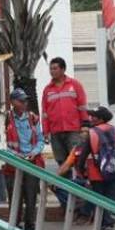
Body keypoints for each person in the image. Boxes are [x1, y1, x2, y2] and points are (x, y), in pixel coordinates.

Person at [57, 106, 115, 230]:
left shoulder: (92, 133)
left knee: (100, 199)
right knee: (111, 198)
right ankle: (109, 225)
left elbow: (83, 156)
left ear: (101, 119)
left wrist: (82, 173)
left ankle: (103, 225)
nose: (90, 118)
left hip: (97, 174)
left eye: (93, 116)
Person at [41, 57, 90, 209]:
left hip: (73, 130)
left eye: (55, 68)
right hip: (56, 132)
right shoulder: (47, 89)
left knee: (76, 163)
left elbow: (82, 106)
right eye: (51, 68)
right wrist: (46, 131)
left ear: (63, 69)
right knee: (62, 164)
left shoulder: (74, 85)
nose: (52, 71)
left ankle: (81, 203)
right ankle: (67, 203)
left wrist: (85, 126)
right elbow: (45, 113)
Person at [4, 87, 43, 230]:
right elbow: (3, 143)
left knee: (31, 195)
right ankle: (14, 225)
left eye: (25, 100)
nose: (24, 103)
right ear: (13, 102)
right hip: (12, 163)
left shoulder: (33, 118)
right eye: (21, 101)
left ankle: (30, 226)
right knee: (15, 196)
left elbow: (40, 139)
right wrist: (14, 154)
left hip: (31, 162)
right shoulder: (6, 118)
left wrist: (34, 152)